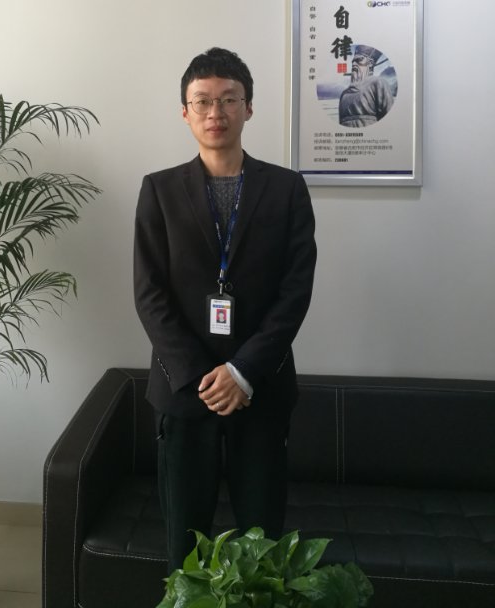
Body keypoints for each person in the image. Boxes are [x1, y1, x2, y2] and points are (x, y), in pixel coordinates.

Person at [133, 47, 317, 572]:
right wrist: (204, 378)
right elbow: (149, 293)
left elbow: (295, 291)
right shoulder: (159, 190)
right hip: (184, 392)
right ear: (185, 112)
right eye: (203, 101)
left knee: (263, 543)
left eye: (229, 99)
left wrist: (241, 372)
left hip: (261, 389)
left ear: (249, 107)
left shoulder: (286, 189)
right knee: (184, 546)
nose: (216, 112)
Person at [338, 44, 394, 127]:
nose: (354, 64)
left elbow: (390, 119)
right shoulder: (344, 94)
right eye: (353, 61)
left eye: (359, 60)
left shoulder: (378, 83)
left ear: (370, 63)